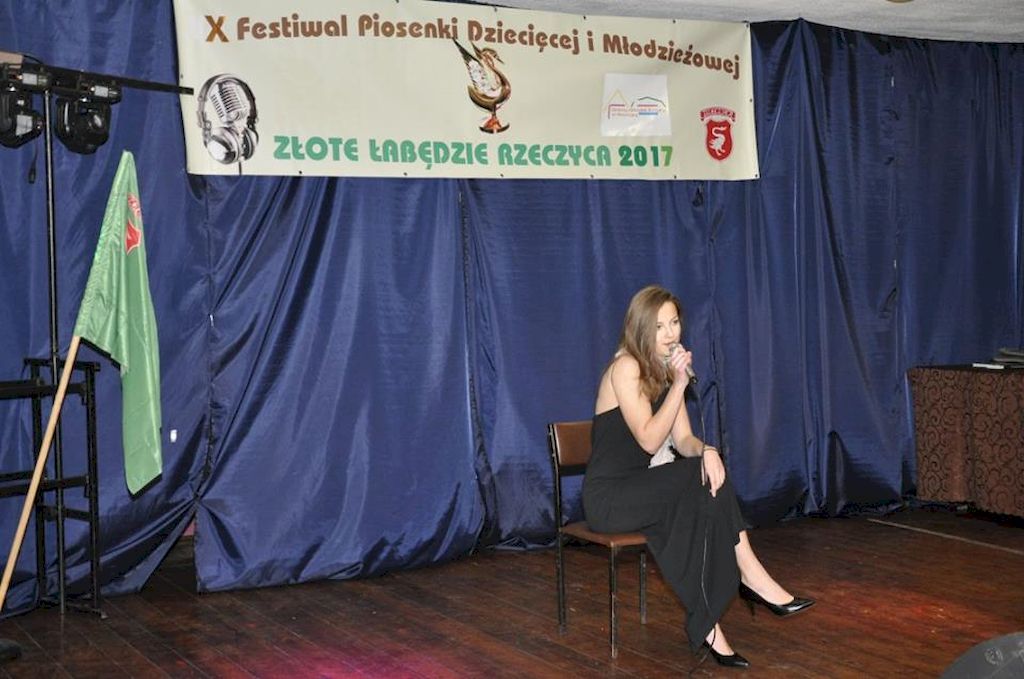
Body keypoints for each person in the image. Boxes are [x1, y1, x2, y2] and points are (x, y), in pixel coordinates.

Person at [583, 285, 814, 669]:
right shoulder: (626, 368)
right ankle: (751, 576)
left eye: (674, 323)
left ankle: (711, 624)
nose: (670, 334)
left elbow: (684, 440)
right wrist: (678, 384)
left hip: (645, 491)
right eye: (659, 326)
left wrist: (707, 450)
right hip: (609, 498)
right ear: (640, 328)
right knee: (694, 479)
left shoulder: (663, 371)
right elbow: (648, 440)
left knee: (706, 470)